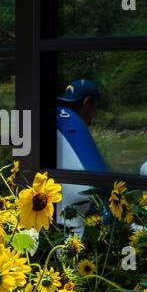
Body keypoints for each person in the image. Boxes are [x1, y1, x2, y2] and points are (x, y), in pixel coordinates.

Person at [55, 78, 106, 221]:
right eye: (95, 107)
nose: (95, 113)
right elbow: (99, 183)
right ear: (87, 103)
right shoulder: (71, 124)